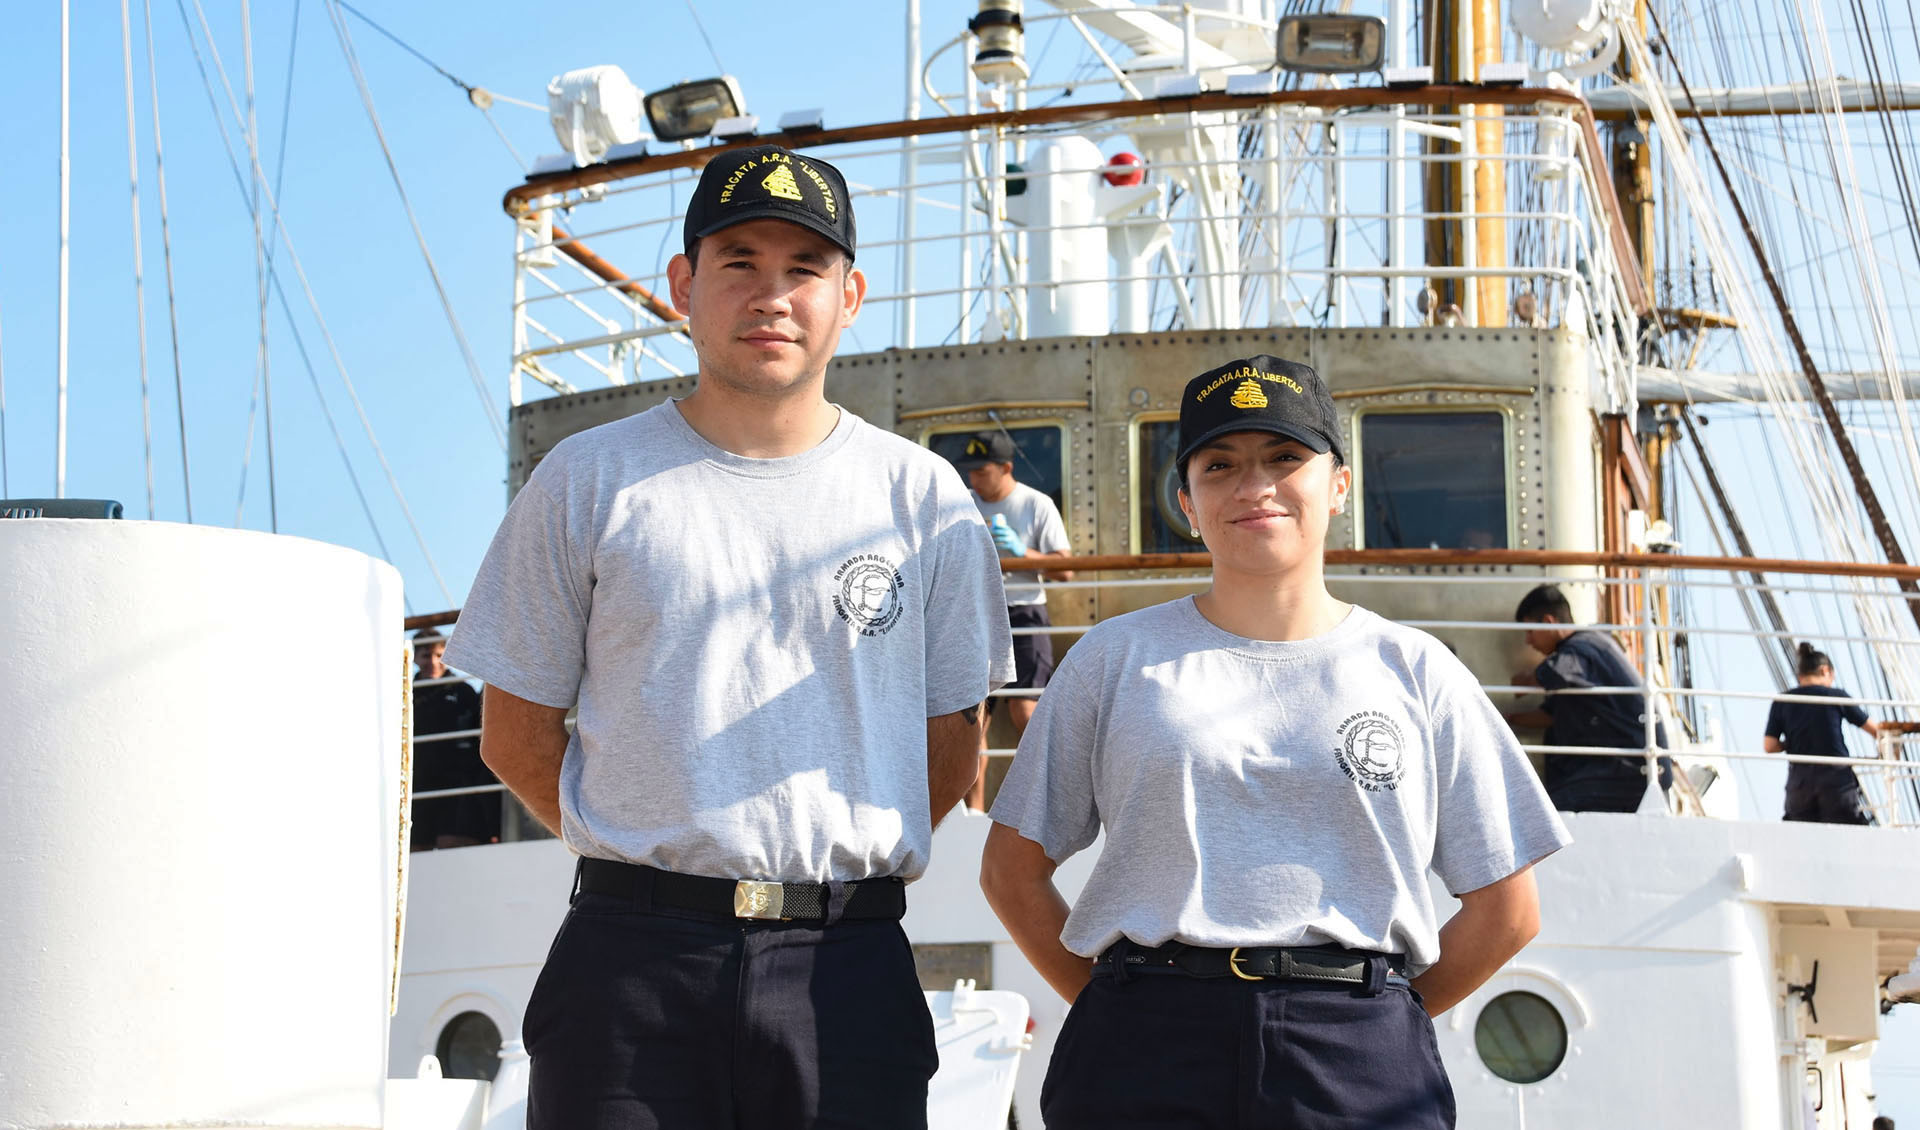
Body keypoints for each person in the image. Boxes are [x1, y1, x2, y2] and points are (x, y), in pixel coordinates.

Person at [444, 144, 1014, 1130]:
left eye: (805, 268)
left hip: (846, 968)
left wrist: (822, 877)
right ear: (683, 284)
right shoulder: (586, 480)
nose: (771, 295)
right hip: (630, 967)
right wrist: (650, 853)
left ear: (849, 296)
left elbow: (952, 738)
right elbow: (514, 730)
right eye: (739, 261)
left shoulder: (924, 500)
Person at [980, 355, 1570, 1129]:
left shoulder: (1418, 670)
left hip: (1355, 1053)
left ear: (1340, 485)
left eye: (1285, 457)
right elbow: (1012, 871)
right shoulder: (1113, 659)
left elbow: (1508, 909)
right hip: (1143, 1044)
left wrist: (1383, 1016)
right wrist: (1111, 1007)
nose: (1253, 485)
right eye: (1219, 465)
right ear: (1187, 501)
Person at [950, 430, 1073, 811]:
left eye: (982, 471)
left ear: (1006, 468)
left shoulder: (1036, 504)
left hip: (1024, 613)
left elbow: (1065, 569)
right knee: (973, 721)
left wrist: (1022, 554)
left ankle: (1049, 807)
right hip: (978, 613)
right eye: (970, 471)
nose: (973, 479)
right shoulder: (961, 504)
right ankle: (973, 813)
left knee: (1026, 712)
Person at [1506, 584, 1671, 813]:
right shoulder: (1586, 651)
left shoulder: (1585, 646)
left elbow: (1555, 673)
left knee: (1546, 817)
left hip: (1631, 770)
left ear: (1548, 622)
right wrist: (1507, 719)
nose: (1528, 641)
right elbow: (1550, 715)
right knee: (1548, 810)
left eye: (1529, 631)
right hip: (1623, 769)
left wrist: (1525, 680)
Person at [1766, 641, 1884, 824]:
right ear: (1825, 671)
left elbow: (1770, 746)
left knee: (1800, 833)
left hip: (1800, 785)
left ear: (1800, 676)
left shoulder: (1782, 701)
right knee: (1848, 830)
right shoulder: (1835, 696)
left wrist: (1790, 742)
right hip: (1835, 781)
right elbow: (1876, 731)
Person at [409, 628, 495, 850]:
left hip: (457, 781)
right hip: (419, 781)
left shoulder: (463, 691)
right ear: (415, 658)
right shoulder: (407, 693)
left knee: (451, 841)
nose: (433, 662)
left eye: (438, 655)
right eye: (426, 656)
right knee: (416, 845)